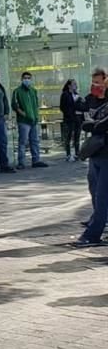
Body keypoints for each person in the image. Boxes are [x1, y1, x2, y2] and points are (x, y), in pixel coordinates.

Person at [80, 68, 108, 237]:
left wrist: (94, 125)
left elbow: (100, 124)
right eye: (95, 83)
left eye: (100, 82)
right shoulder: (92, 99)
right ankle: (97, 220)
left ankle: (93, 233)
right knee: (95, 188)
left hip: (105, 153)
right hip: (97, 151)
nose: (97, 86)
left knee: (102, 194)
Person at [11, 72, 48, 169]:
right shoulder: (17, 91)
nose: (27, 80)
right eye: (25, 78)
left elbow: (35, 104)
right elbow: (14, 105)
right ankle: (21, 162)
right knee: (23, 142)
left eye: (29, 78)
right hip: (23, 121)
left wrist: (36, 116)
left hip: (33, 120)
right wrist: (21, 112)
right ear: (22, 79)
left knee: (35, 141)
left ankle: (36, 160)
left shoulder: (33, 91)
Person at [60, 80, 84, 162]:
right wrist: (69, 113)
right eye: (74, 84)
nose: (75, 86)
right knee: (68, 136)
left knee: (77, 136)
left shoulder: (77, 95)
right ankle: (68, 154)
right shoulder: (65, 94)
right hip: (69, 119)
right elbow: (62, 107)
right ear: (69, 85)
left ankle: (77, 154)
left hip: (78, 118)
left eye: (76, 84)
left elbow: (80, 106)